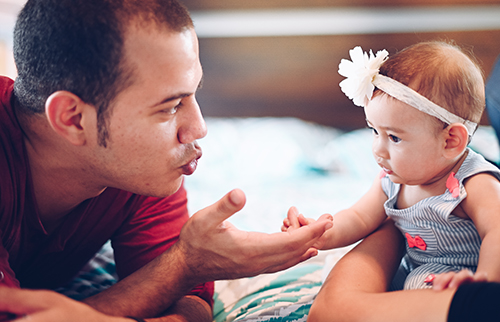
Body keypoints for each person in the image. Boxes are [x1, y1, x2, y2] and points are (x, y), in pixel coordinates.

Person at [0, 0, 333, 321]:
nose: (198, 129)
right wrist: (186, 264)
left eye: (193, 95)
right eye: (170, 107)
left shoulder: (138, 171)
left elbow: (190, 302)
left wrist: (187, 266)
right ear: (73, 119)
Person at [284, 41, 500, 291]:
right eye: (374, 131)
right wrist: (318, 233)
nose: (377, 148)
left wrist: (485, 280)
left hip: (465, 276)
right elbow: (358, 217)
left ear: (450, 141)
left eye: (394, 137)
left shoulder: (475, 183)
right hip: (416, 271)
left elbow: (496, 232)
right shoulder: (391, 181)